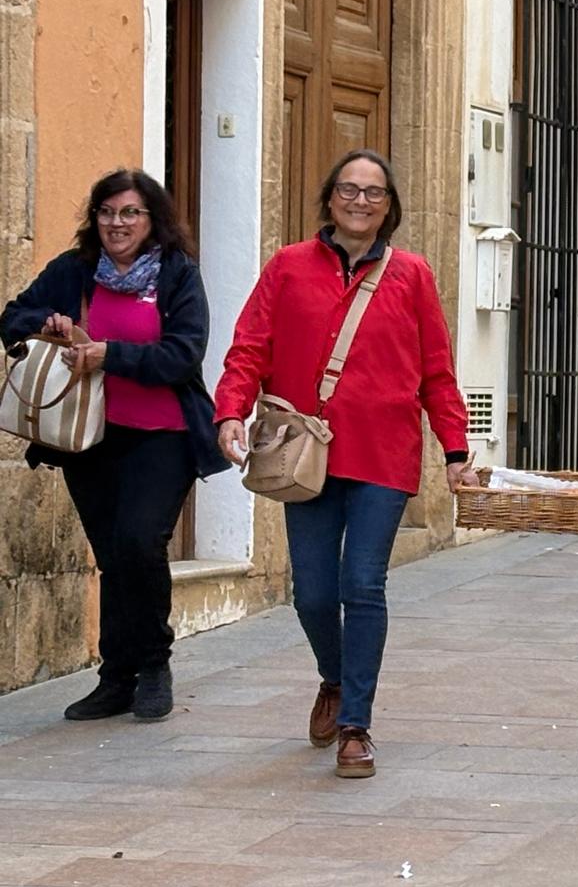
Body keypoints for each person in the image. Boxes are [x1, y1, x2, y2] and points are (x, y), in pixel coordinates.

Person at [214, 150, 473, 779]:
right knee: (312, 592)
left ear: (390, 207)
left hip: (383, 455)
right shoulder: (288, 267)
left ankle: (356, 722)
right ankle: (333, 677)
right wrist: (230, 411)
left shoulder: (411, 275)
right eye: (349, 190)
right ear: (330, 198)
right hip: (303, 457)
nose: (361, 201)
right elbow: (250, 345)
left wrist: (455, 449)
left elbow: (436, 371)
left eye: (375, 193)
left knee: (363, 585)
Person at [0, 170, 229, 723]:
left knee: (139, 543)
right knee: (112, 555)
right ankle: (116, 678)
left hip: (164, 436)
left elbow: (183, 355)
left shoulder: (177, 275)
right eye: (106, 212)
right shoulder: (75, 270)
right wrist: (47, 322)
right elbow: (11, 319)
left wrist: (109, 355)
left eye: (130, 213)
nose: (116, 223)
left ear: (153, 220)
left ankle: (154, 667)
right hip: (89, 436)